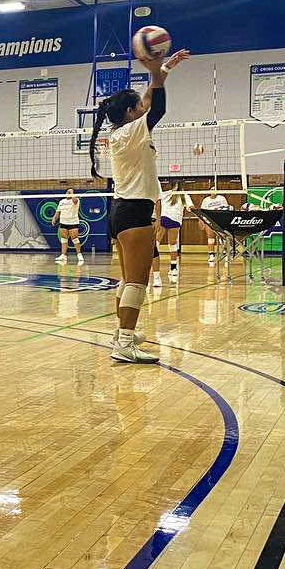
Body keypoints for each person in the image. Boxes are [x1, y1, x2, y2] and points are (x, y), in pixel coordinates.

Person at [88, 46, 192, 363]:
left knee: (127, 278)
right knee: (137, 280)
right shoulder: (132, 132)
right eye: (138, 107)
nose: (142, 107)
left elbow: (147, 101)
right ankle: (123, 344)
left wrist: (163, 71)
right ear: (133, 113)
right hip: (133, 212)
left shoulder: (122, 130)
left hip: (122, 211)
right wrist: (155, 73)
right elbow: (156, 108)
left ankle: (124, 333)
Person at [153, 182, 192, 286]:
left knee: (156, 243)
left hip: (164, 218)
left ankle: (152, 268)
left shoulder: (166, 194)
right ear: (182, 186)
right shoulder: (185, 195)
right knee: (173, 243)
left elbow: (157, 203)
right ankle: (173, 268)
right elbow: (190, 207)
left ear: (172, 186)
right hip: (175, 220)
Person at [199, 188, 230, 264]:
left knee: (222, 237)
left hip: (220, 220)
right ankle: (211, 255)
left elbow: (226, 209)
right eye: (212, 189)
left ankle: (226, 254)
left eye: (215, 189)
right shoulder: (206, 200)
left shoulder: (222, 198)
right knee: (210, 237)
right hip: (209, 220)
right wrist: (201, 221)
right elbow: (202, 212)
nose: (213, 190)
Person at [54, 188, 84, 265]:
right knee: (63, 239)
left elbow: (75, 201)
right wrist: (54, 218)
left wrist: (72, 193)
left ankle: (79, 255)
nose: (68, 193)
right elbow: (58, 211)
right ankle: (63, 255)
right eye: (67, 192)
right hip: (63, 222)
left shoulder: (76, 200)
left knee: (75, 239)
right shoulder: (62, 201)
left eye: (70, 192)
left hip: (73, 222)